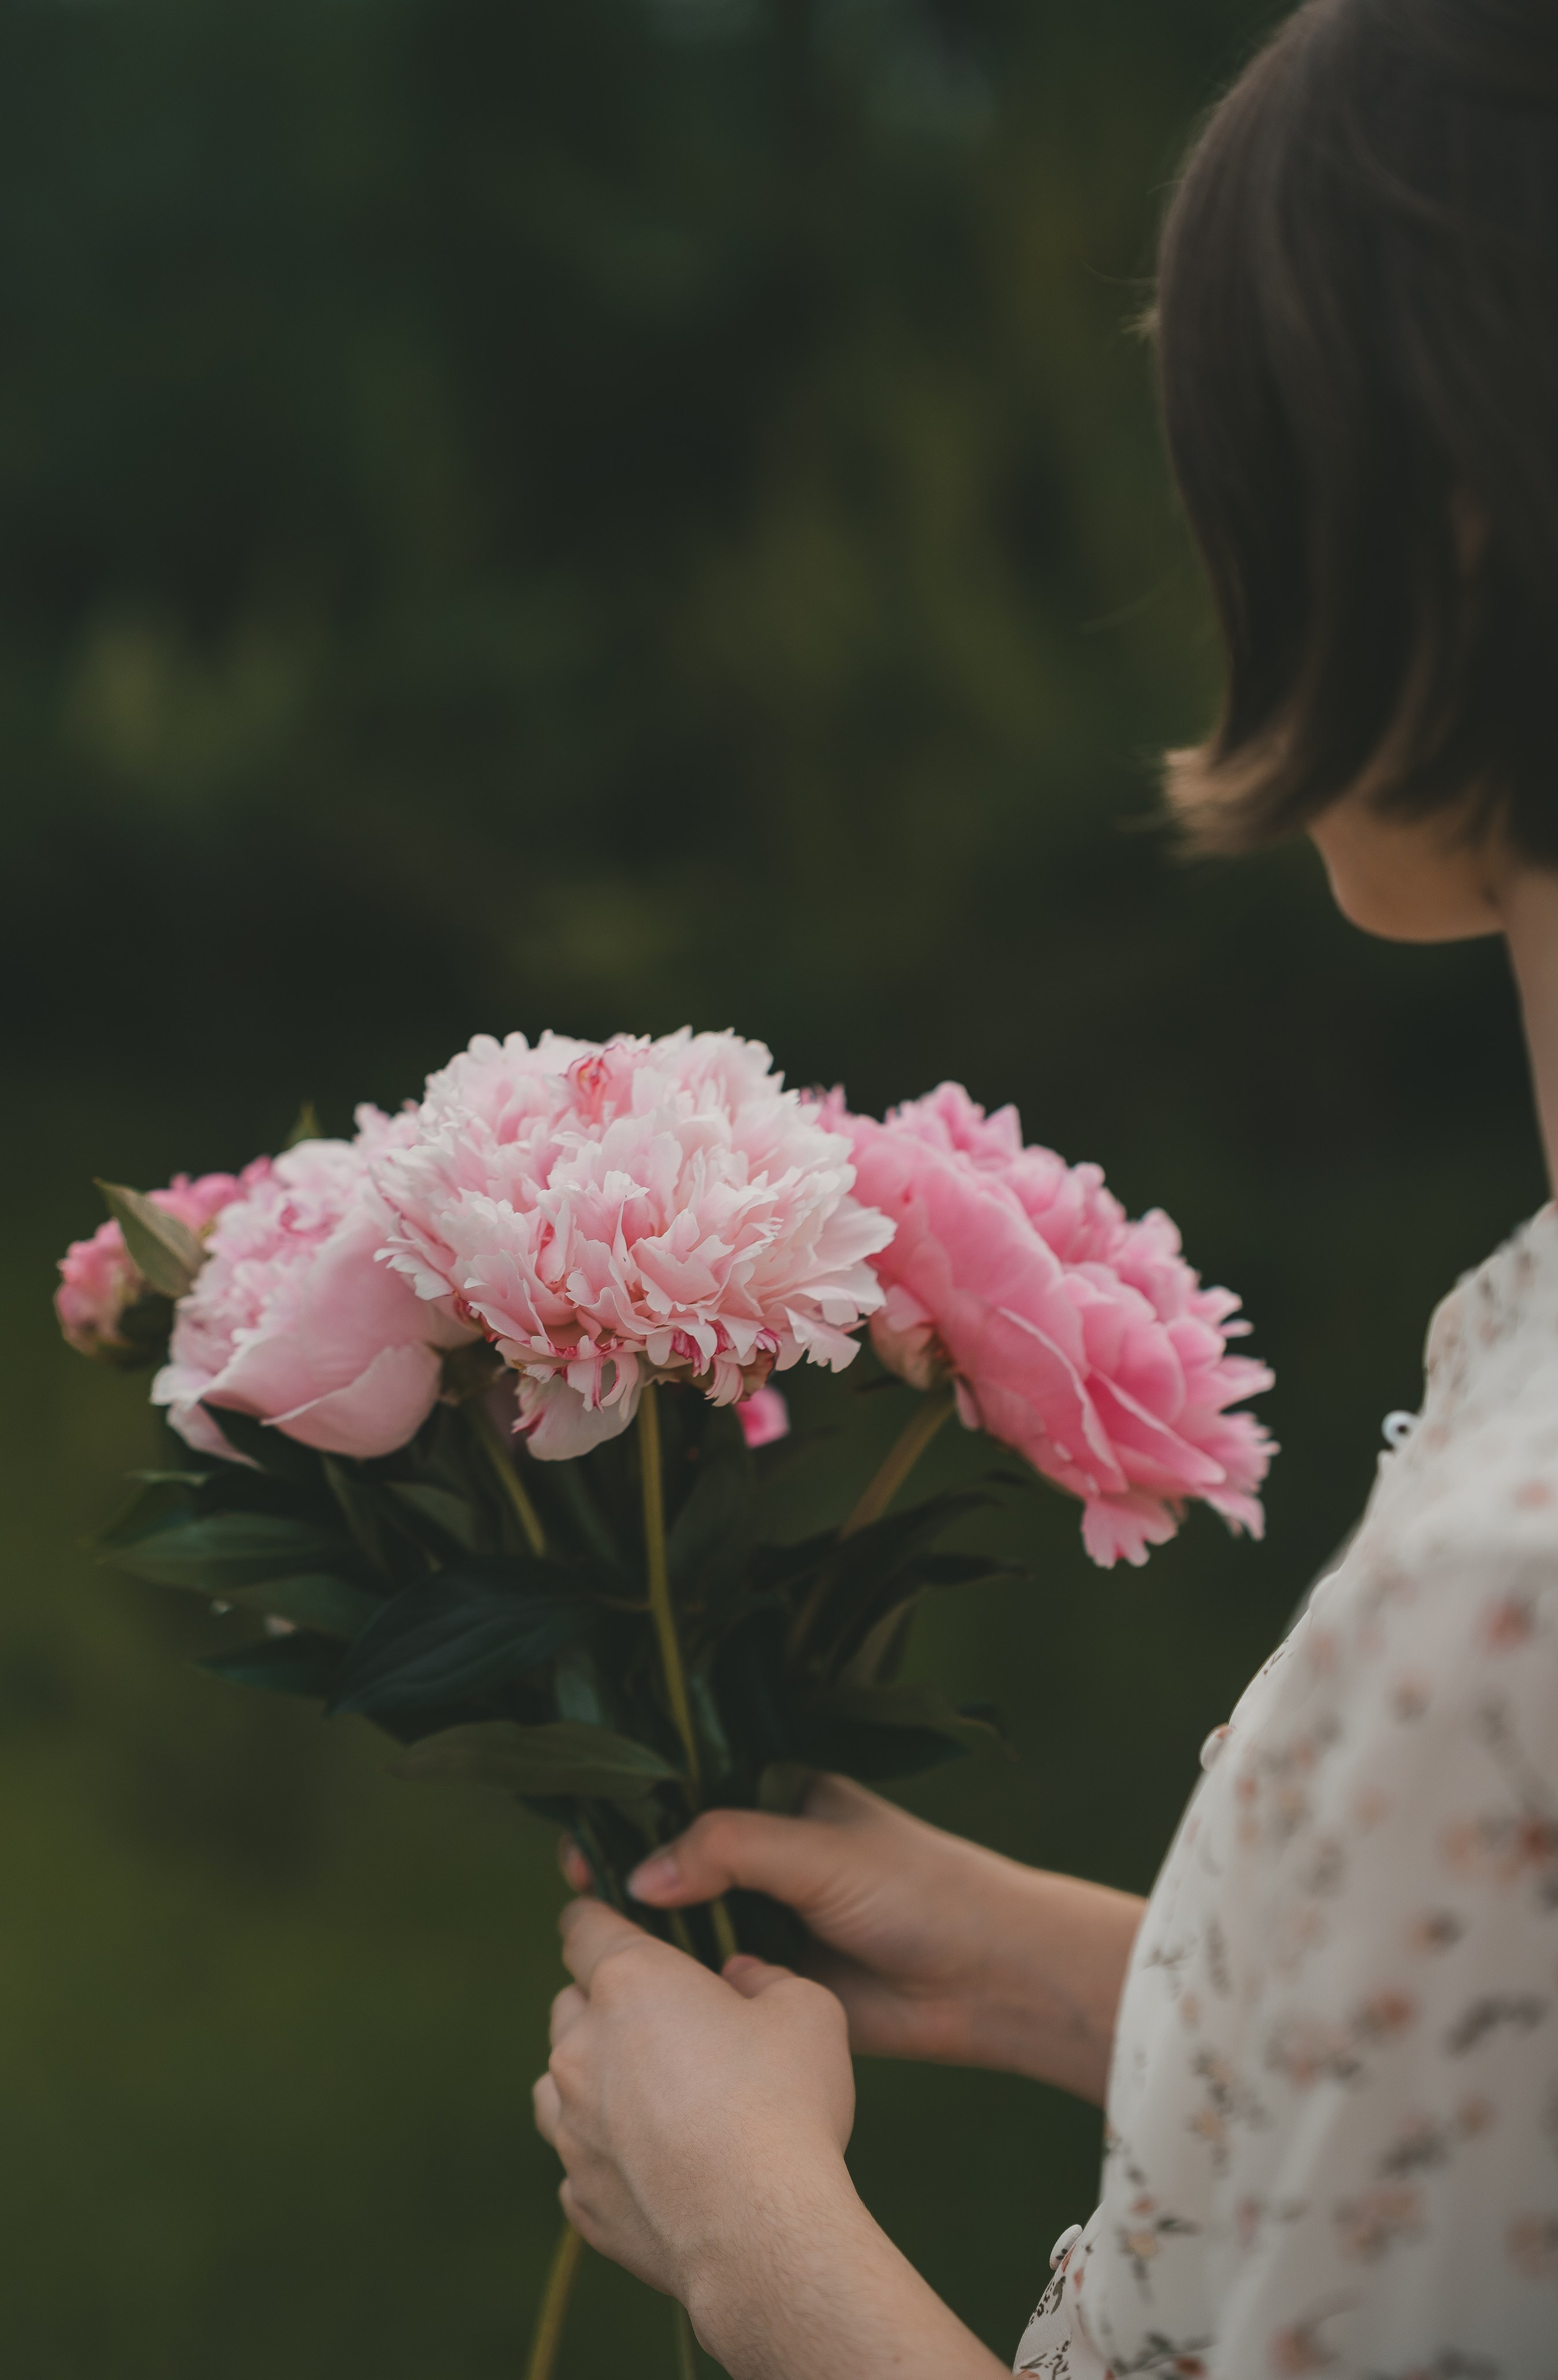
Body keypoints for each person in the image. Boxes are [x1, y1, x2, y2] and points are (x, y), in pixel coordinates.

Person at [529, 2, 1558, 2369]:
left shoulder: (1511, 1595)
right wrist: (1024, 1956)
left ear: (1459, 525)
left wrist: (751, 2225)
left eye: (1251, 468)